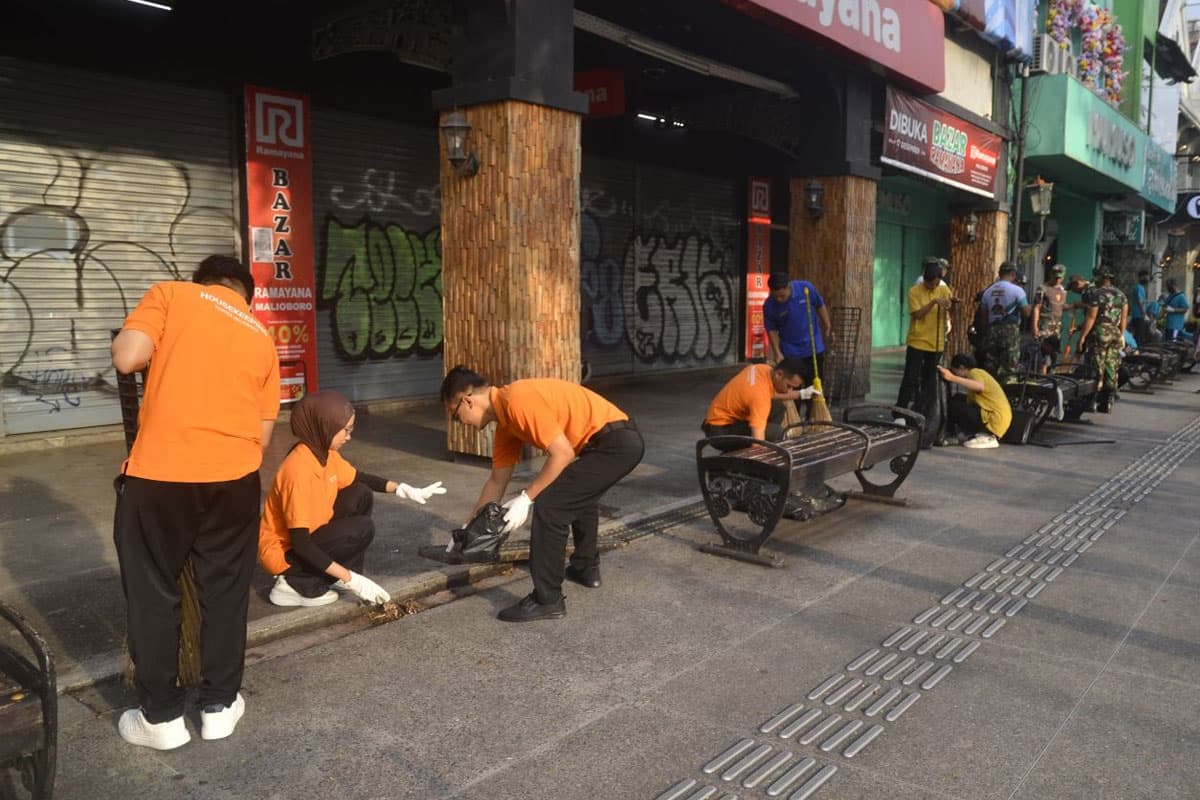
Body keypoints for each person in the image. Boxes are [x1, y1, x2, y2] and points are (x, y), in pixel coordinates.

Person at [110, 255, 280, 750]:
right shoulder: (261, 334)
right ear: (244, 295)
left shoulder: (171, 295)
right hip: (235, 480)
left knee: (153, 592)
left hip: (161, 475)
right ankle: (219, 707)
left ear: (200, 282)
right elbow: (263, 437)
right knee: (225, 595)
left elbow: (127, 358)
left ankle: (161, 719)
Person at [441, 366, 645, 623]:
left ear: (467, 400)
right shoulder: (506, 424)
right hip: (611, 443)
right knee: (576, 495)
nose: (461, 424)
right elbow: (496, 481)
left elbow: (562, 454)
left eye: (456, 416)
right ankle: (585, 568)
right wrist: (467, 528)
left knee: (550, 506)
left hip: (616, 442)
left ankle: (547, 599)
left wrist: (526, 498)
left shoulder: (516, 399)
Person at [258, 391, 445, 608]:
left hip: (311, 535)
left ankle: (331, 575)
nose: (349, 436)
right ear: (325, 426)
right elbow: (301, 544)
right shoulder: (298, 470)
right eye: (345, 430)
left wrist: (403, 489)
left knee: (360, 493)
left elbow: (359, 477)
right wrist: (352, 580)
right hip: (287, 554)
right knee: (361, 528)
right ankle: (296, 585)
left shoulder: (323, 453)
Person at [702, 357, 816, 449]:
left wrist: (802, 394)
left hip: (717, 420)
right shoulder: (759, 397)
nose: (789, 390)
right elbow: (757, 442)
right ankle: (746, 460)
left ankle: (755, 446)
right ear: (779, 374)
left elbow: (772, 394)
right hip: (719, 433)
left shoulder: (763, 369)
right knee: (776, 432)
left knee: (778, 407)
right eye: (789, 386)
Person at [896, 257, 953, 418]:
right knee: (911, 378)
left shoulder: (943, 289)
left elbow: (948, 306)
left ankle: (925, 411)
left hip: (936, 343)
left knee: (929, 381)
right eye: (930, 284)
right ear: (925, 280)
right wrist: (933, 302)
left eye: (935, 283)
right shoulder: (914, 291)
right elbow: (917, 314)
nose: (933, 286)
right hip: (918, 341)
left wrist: (951, 304)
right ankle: (900, 412)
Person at [1069, 266, 1128, 412]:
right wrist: (1122, 335)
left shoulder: (1097, 294)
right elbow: (1123, 318)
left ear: (1101, 278)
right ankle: (1107, 400)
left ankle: (1092, 400)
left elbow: (1091, 317)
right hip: (1114, 333)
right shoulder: (1121, 295)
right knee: (1111, 367)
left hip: (1099, 333)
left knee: (1095, 367)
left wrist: (1082, 337)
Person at [762, 272, 833, 387]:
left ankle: (813, 405)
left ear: (788, 287)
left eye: (782, 296)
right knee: (794, 388)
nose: (779, 299)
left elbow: (819, 304)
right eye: (776, 297)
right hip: (791, 352)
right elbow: (771, 330)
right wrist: (777, 352)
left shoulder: (805, 289)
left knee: (815, 388)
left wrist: (827, 325)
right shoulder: (769, 305)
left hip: (813, 348)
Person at [936, 353, 1012, 449]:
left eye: (955, 371)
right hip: (996, 418)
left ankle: (952, 434)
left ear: (961, 368)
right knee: (958, 398)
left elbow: (979, 386)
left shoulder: (975, 372)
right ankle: (954, 432)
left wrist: (952, 378)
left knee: (953, 405)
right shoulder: (980, 374)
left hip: (994, 420)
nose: (954, 374)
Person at [979, 262, 1031, 378]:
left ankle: (992, 391)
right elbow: (1026, 313)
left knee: (992, 365)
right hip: (1010, 331)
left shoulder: (988, 291)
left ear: (999, 273)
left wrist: (986, 335)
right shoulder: (1017, 290)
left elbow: (983, 317)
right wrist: (1029, 307)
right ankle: (1007, 392)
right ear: (1013, 274)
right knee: (1009, 365)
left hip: (992, 330)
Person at [1031, 264, 1068, 343]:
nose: (1057, 280)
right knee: (1042, 349)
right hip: (1045, 324)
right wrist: (1035, 327)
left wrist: (1075, 305)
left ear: (1063, 277)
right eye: (1055, 277)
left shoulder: (1063, 290)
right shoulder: (1043, 288)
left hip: (1057, 325)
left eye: (1059, 278)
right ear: (1051, 275)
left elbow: (1062, 306)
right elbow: (1036, 308)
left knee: (1054, 351)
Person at [1128, 269, 1151, 346]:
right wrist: (1144, 315)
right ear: (1142, 277)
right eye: (1146, 277)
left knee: (1139, 335)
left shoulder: (1141, 288)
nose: (1148, 279)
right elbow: (1140, 302)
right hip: (1138, 316)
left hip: (1138, 315)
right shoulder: (1139, 287)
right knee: (1139, 336)